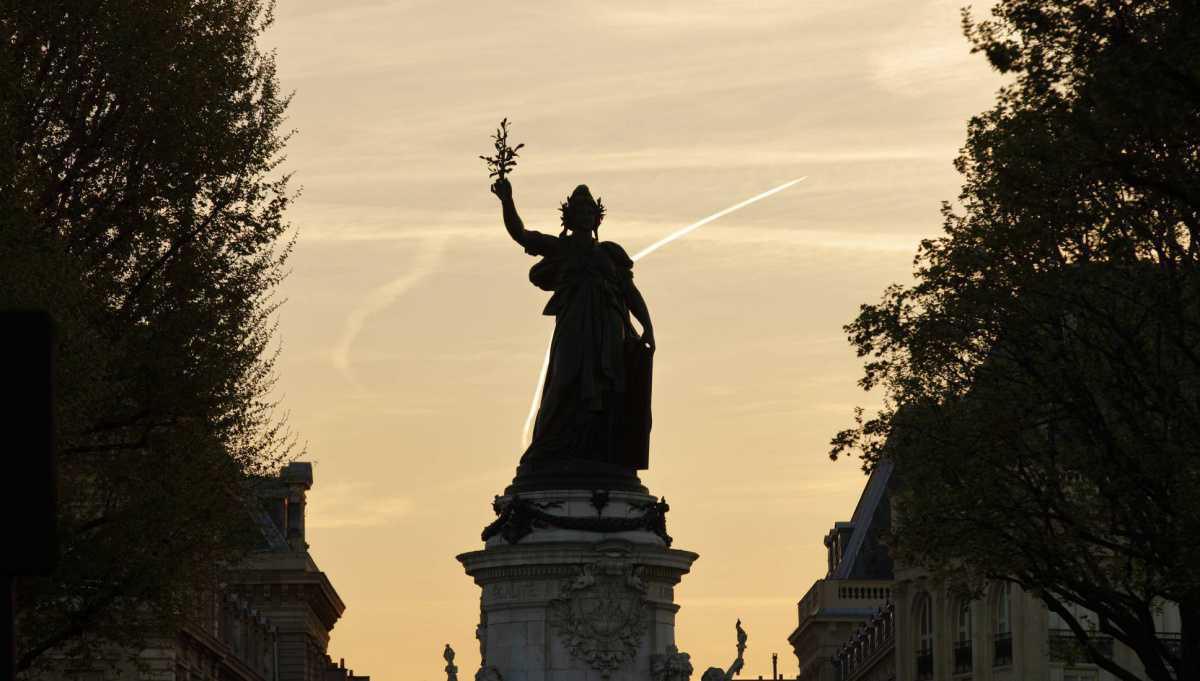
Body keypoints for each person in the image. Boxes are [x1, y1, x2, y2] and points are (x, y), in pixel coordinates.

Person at [492, 177, 654, 471]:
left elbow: (629, 292)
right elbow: (521, 234)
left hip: (609, 327)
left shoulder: (610, 254)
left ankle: (600, 451)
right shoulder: (560, 248)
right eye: (579, 212)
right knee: (565, 378)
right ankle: (548, 447)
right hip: (575, 324)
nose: (585, 216)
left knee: (608, 386)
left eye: (590, 212)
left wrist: (648, 326)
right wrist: (507, 200)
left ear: (597, 219)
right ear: (569, 217)